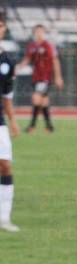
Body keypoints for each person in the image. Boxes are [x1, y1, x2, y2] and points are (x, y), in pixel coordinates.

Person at [16, 24, 63, 133]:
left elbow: (55, 61)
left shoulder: (48, 45)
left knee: (36, 98)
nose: (39, 34)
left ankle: (32, 126)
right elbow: (27, 60)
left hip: (45, 78)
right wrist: (17, 69)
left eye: (41, 31)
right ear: (34, 33)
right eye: (37, 31)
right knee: (43, 102)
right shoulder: (32, 46)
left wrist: (58, 77)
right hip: (36, 78)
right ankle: (49, 127)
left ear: (44, 33)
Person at [0, 14, 20, 232]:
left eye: (1, 26)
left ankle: (4, 218)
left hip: (0, 121)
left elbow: (7, 96)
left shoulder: (7, 61)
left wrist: (12, 121)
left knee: (4, 164)